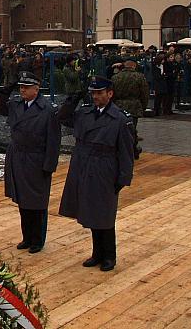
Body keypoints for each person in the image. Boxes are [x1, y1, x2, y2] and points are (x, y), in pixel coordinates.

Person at [57, 76, 134, 272]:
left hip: (104, 167)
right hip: (83, 164)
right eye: (93, 93)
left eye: (100, 93)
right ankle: (97, 253)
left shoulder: (119, 119)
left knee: (104, 214)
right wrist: (72, 100)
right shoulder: (85, 113)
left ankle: (109, 256)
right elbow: (62, 118)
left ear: (110, 94)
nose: (96, 97)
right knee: (90, 211)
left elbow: (126, 151)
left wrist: (123, 177)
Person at [0, 71, 60, 254]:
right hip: (18, 156)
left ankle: (38, 239)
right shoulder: (16, 104)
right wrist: (6, 90)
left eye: (26, 87)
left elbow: (54, 140)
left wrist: (49, 165)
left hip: (36, 158)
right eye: (21, 87)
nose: (22, 90)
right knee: (23, 200)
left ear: (36, 89)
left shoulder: (48, 109)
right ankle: (27, 237)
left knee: (37, 202)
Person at [112, 58, 149, 159]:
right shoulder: (139, 77)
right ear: (134, 66)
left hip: (118, 106)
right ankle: (132, 151)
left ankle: (118, 150)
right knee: (131, 130)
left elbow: (111, 94)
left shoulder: (115, 77)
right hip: (134, 107)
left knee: (118, 130)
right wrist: (143, 107)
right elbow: (144, 94)